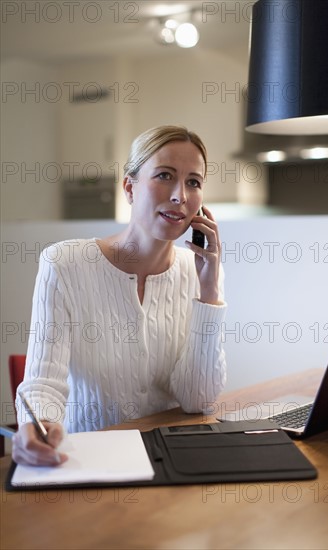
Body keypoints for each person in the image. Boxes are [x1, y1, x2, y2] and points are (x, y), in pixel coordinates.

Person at [12, 125, 227, 466]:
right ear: (130, 187)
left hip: (169, 459)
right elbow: (42, 383)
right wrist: (39, 426)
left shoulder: (197, 272)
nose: (180, 196)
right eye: (165, 175)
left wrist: (210, 294)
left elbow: (197, 400)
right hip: (88, 461)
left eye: (193, 182)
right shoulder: (65, 264)